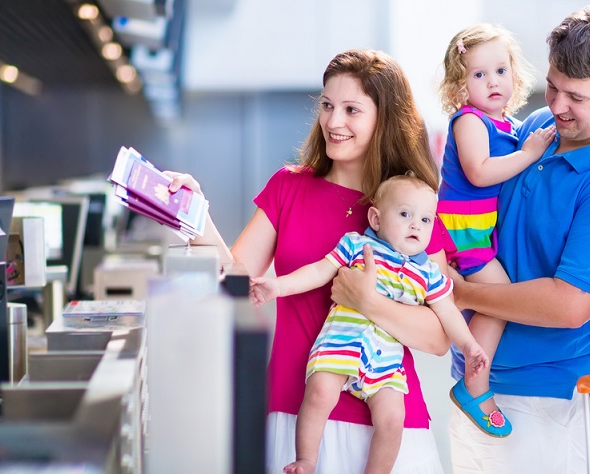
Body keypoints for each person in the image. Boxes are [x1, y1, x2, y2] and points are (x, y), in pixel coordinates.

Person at [166, 49, 450, 474]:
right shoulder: (289, 187)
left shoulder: (413, 210)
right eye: (328, 106)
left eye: (352, 110)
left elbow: (438, 337)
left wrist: (369, 302)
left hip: (389, 430)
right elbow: (236, 278)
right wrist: (195, 215)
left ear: (384, 119)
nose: (334, 122)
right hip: (297, 417)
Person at [422, 4, 590, 472]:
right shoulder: (533, 133)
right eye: (552, 87)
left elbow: (569, 305)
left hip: (551, 398)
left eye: (576, 97)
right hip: (480, 387)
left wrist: (461, 292)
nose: (557, 105)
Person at [250, 174, 489, 473]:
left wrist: (469, 346)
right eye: (405, 214)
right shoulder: (357, 245)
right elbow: (319, 271)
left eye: (427, 220)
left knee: (392, 421)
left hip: (386, 364)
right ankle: (306, 460)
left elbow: (448, 313)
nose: (416, 224)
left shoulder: (428, 274)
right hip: (340, 346)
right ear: (376, 218)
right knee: (319, 393)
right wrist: (278, 286)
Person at [435, 23, 555, 437]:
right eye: (479, 74)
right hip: (463, 233)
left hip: (479, 233)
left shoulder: (503, 122)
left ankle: (472, 370)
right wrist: (528, 153)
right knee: (500, 299)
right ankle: (474, 383)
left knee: (493, 300)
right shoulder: (469, 121)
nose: (493, 82)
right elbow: (480, 172)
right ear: (460, 85)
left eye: (501, 71)